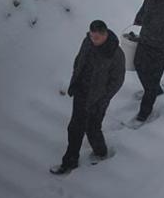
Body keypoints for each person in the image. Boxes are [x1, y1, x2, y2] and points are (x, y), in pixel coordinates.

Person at [50, 20, 125, 175]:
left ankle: (101, 152)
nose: (93, 40)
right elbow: (79, 60)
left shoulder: (116, 54)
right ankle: (70, 161)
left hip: (98, 99)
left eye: (96, 37)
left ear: (104, 35)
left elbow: (117, 81)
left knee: (92, 127)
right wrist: (75, 80)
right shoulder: (87, 42)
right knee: (75, 128)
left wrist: (103, 98)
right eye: (91, 36)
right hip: (81, 92)